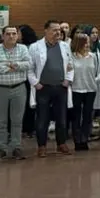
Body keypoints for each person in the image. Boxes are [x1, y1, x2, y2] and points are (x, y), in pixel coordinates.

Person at [28, 20, 74, 158]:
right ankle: (42, 146)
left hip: (61, 87)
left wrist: (68, 80)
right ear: (46, 31)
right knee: (42, 118)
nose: (58, 33)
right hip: (43, 88)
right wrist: (36, 83)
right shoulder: (35, 47)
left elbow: (70, 65)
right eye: (54, 30)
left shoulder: (65, 46)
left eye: (59, 30)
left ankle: (61, 144)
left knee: (62, 118)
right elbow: (29, 69)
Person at [0, 26, 31, 161]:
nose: (11, 36)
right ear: (2, 36)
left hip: (19, 88)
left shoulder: (23, 49)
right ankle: (2, 148)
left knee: (17, 120)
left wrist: (10, 65)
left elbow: (28, 64)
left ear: (17, 36)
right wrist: (16, 65)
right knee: (1, 121)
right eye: (8, 34)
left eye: (14, 34)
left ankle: (16, 147)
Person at [68, 31, 100, 152]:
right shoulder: (71, 56)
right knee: (76, 116)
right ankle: (77, 139)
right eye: (85, 43)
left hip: (90, 89)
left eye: (88, 42)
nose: (87, 45)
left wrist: (96, 80)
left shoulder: (93, 56)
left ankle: (85, 138)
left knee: (88, 116)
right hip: (76, 89)